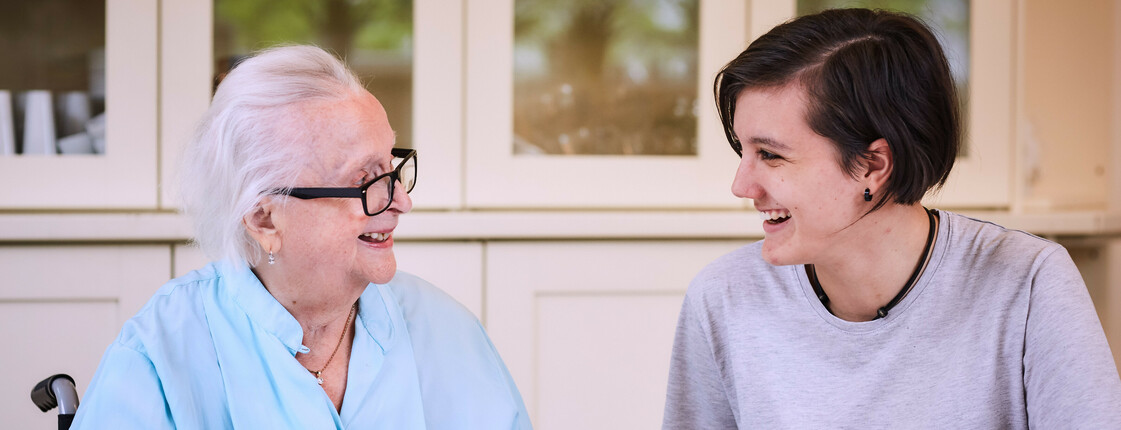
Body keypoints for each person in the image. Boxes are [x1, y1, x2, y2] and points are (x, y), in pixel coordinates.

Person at [662, 8, 1121, 429]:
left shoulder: (1029, 284)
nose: (742, 185)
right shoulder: (724, 298)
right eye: (743, 151)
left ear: (873, 166)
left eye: (771, 155)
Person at [72, 45, 532, 429]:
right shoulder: (159, 354)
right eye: (366, 179)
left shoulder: (447, 330)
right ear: (265, 219)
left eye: (392, 168)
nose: (399, 201)